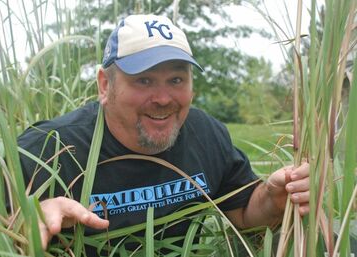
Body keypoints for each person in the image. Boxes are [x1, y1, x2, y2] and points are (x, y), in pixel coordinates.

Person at [18, 14, 310, 255]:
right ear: (105, 85)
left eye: (176, 79)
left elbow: (244, 215)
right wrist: (27, 217)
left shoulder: (206, 135)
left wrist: (273, 200)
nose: (163, 98)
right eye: (144, 80)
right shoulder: (48, 148)